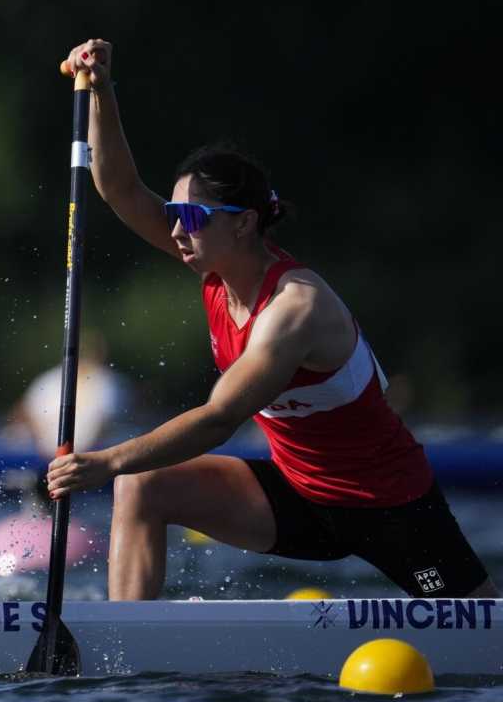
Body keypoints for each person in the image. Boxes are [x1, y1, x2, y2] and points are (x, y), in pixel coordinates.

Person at [46, 40, 496, 600]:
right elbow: (118, 190)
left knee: (480, 629)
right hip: (295, 496)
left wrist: (107, 460)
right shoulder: (211, 261)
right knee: (143, 487)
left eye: (191, 216)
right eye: (173, 216)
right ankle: (122, 656)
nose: (177, 229)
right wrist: (103, 92)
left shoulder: (295, 307)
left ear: (243, 224)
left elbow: (217, 419)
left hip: (388, 505)